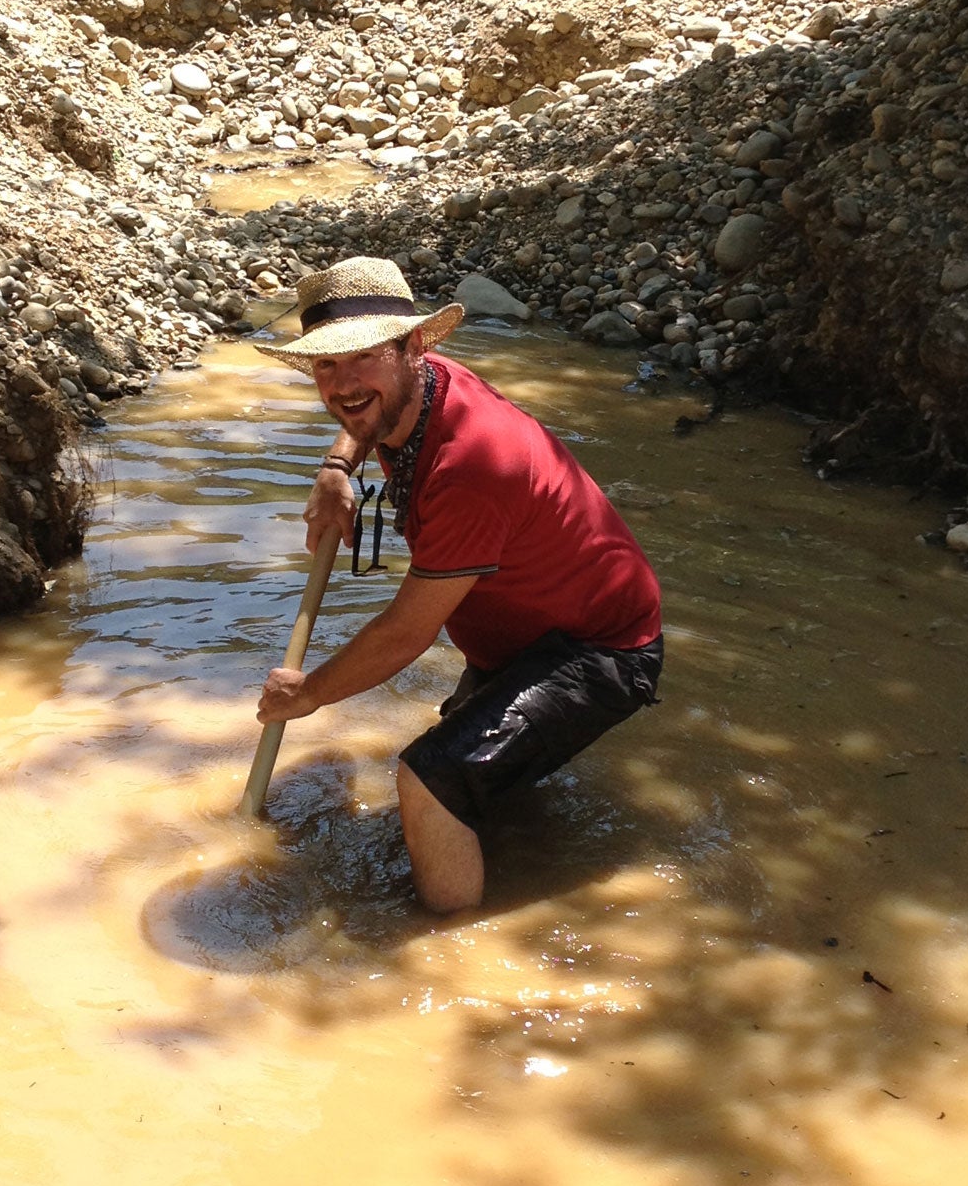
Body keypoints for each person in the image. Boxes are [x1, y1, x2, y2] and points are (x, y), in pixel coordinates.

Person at [254, 257, 663, 912]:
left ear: (413, 346)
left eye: (361, 356)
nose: (342, 383)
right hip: (526, 632)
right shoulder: (415, 390)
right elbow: (361, 411)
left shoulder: (472, 465)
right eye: (325, 365)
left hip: (602, 648)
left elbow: (405, 634)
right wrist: (337, 468)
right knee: (477, 770)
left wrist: (308, 695)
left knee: (431, 780)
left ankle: (446, 948)